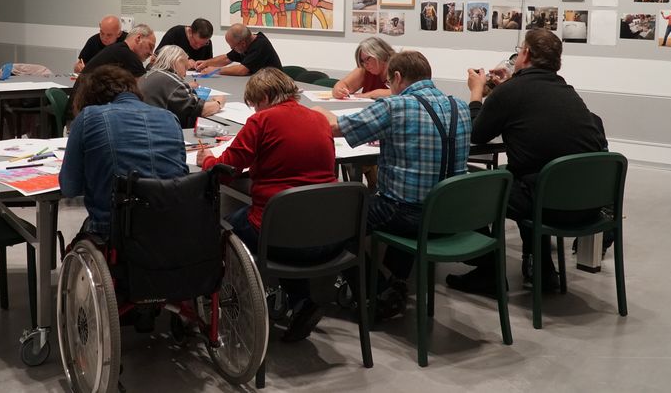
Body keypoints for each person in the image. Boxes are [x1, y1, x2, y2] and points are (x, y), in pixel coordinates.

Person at [447, 29, 608, 295]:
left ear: (526, 54)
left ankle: (489, 272)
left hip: (549, 202)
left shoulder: (512, 91)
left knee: (468, 185)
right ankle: (542, 270)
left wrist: (477, 93)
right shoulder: (566, 90)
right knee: (522, 177)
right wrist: (507, 87)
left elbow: (475, 134)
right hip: (588, 203)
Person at [315, 51, 471, 318]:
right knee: (407, 191)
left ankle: (377, 291)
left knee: (334, 222)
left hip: (406, 213)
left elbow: (333, 128)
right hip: (451, 212)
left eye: (388, 82)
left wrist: (318, 112)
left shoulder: (395, 107)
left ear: (397, 77)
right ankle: (397, 278)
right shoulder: (460, 105)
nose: (389, 88)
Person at [196, 68, 337, 342]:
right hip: (328, 231)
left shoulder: (261, 122)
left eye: (255, 104)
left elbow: (227, 169)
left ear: (267, 97)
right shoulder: (319, 120)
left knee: (223, 225)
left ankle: (216, 300)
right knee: (293, 223)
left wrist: (206, 160)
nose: (254, 110)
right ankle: (300, 302)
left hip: (278, 231)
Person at [60, 65, 188, 236]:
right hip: (173, 224)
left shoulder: (89, 116)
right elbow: (182, 174)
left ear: (90, 98)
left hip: (116, 228)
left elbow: (70, 188)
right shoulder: (169, 118)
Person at [138, 45, 225, 128]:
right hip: (161, 129)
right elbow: (199, 111)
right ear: (177, 61)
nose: (185, 74)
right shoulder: (171, 80)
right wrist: (218, 103)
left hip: (143, 125)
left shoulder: (148, 75)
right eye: (185, 67)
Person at [193, 23, 282, 76]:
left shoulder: (260, 45)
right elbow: (227, 58)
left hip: (275, 86)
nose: (232, 49)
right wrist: (206, 63)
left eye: (232, 46)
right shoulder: (245, 44)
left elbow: (242, 70)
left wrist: (215, 70)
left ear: (242, 43)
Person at [81, 23, 156, 77]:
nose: (151, 53)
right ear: (138, 39)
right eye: (150, 46)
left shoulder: (116, 50)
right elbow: (146, 87)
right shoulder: (127, 55)